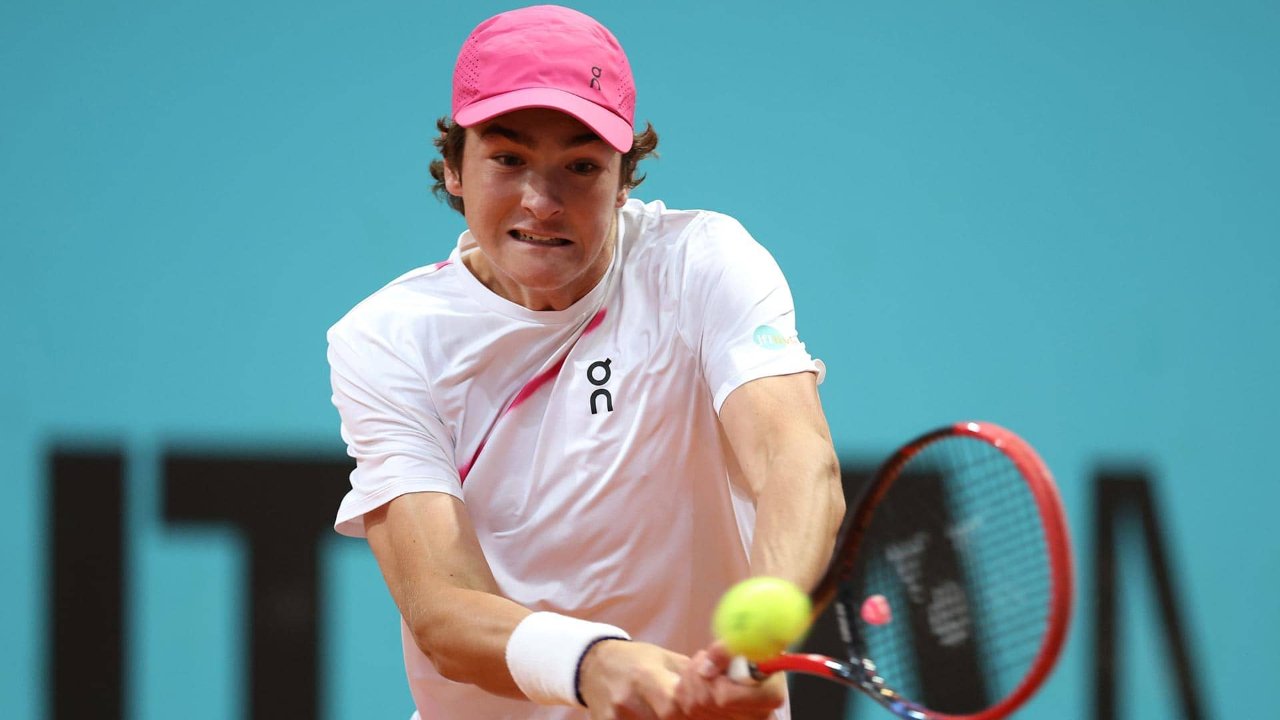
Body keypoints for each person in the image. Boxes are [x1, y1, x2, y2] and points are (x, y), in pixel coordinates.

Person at [327, 5, 844, 719]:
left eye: (580, 165)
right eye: (507, 159)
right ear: (453, 167)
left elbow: (796, 458)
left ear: (624, 176)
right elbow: (441, 608)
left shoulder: (701, 261)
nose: (541, 202)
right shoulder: (388, 339)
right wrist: (594, 664)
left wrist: (759, 635)